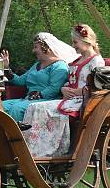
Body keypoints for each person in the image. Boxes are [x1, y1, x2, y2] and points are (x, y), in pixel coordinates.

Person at [22, 24, 105, 157]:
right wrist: (63, 88)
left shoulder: (96, 61)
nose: (73, 46)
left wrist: (78, 92)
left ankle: (44, 150)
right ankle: (32, 148)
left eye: (75, 42)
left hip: (83, 101)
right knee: (33, 107)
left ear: (86, 40)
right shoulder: (78, 60)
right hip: (69, 99)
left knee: (37, 108)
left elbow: (97, 87)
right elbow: (70, 80)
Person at [0, 33, 74, 122]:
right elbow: (20, 81)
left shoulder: (60, 66)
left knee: (17, 109)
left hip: (47, 100)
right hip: (28, 100)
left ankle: (14, 135)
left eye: (36, 47)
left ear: (46, 48)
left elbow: (54, 89)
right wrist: (6, 68)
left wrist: (37, 95)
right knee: (1, 106)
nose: (33, 50)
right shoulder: (36, 65)